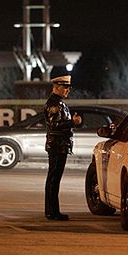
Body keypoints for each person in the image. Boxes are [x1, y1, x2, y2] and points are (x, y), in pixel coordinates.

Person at [44, 74, 82, 221]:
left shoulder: (60, 103)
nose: (67, 91)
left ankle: (53, 211)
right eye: (65, 88)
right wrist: (72, 122)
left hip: (60, 145)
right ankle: (52, 212)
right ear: (56, 87)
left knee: (55, 179)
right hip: (56, 146)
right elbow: (55, 125)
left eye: (68, 88)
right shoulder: (54, 104)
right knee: (53, 179)